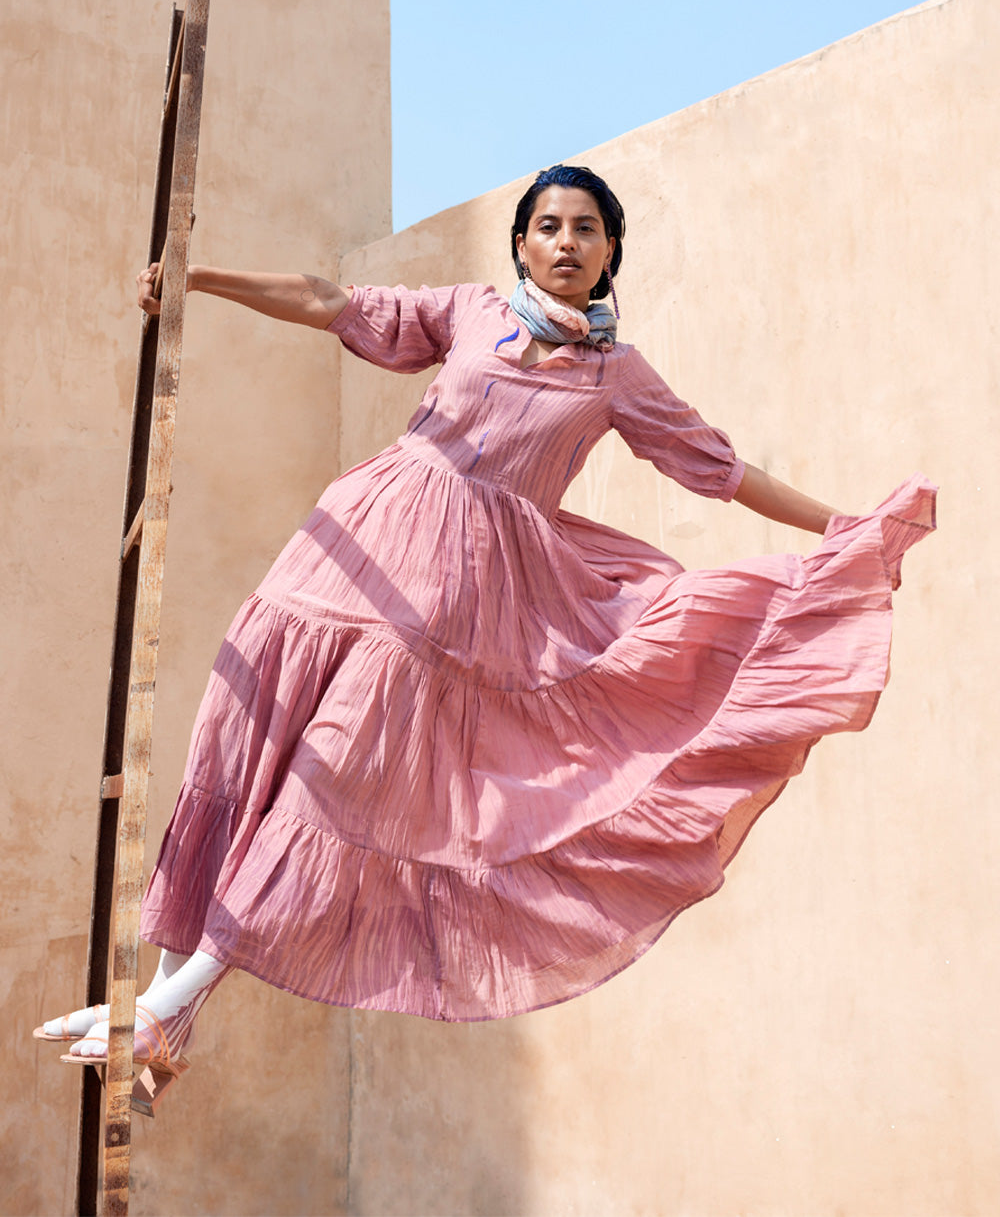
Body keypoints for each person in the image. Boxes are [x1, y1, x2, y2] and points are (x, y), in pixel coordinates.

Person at [36, 164, 935, 1098]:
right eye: (549, 226)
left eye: (587, 229)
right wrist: (198, 277)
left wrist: (844, 530)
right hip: (351, 552)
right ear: (520, 243)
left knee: (331, 782)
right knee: (252, 739)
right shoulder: (470, 313)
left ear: (610, 252)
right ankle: (169, 1006)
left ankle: (164, 1004)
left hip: (459, 600)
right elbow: (331, 300)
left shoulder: (614, 375)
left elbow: (721, 469)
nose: (566, 243)